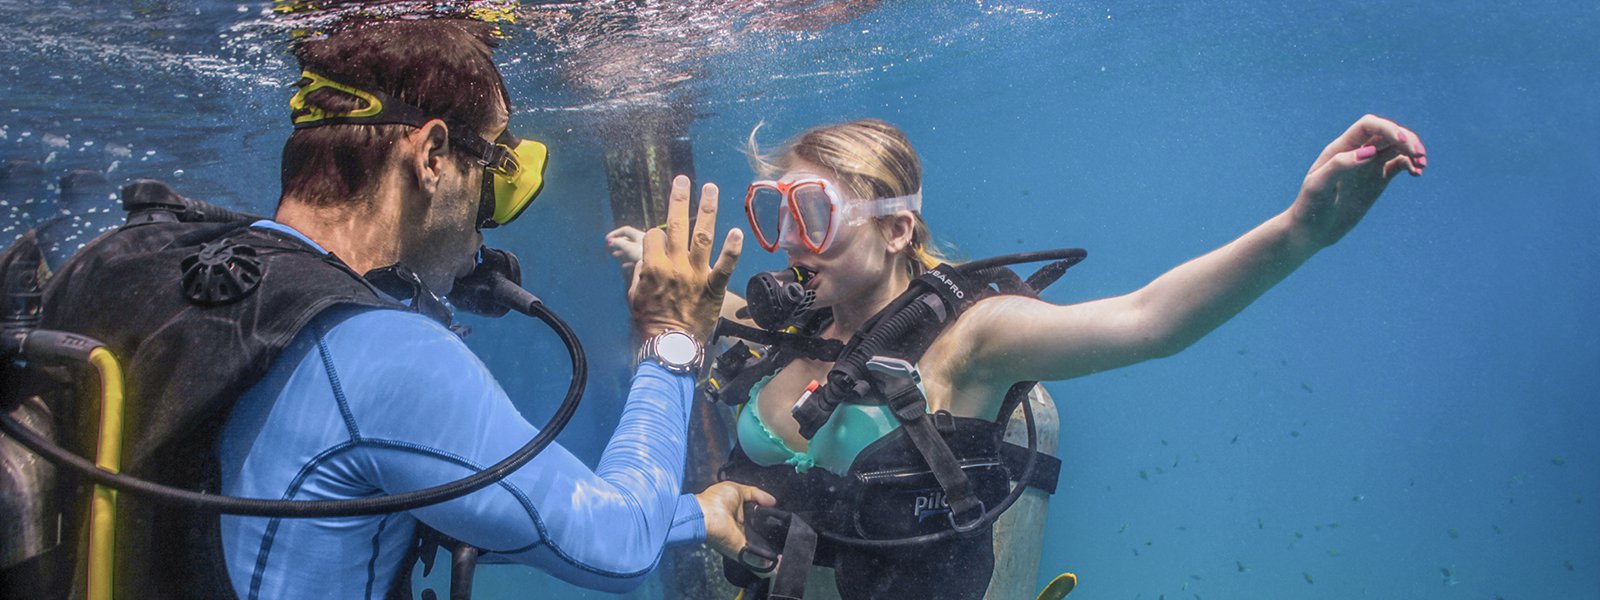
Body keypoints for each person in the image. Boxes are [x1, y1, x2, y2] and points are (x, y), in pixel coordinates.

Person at [4, 18, 773, 600]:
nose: (488, 217)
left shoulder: (140, 262)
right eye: (494, 173)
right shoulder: (379, 351)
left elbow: (375, 499)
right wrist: (672, 342)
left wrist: (695, 514)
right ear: (433, 156)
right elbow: (615, 544)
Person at [606, 116, 1427, 599]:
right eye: (775, 213)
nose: (790, 243)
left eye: (814, 214)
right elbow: (724, 317)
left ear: (898, 229)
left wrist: (1299, 231)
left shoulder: (975, 340)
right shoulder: (794, 323)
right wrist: (656, 267)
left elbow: (1149, 320)